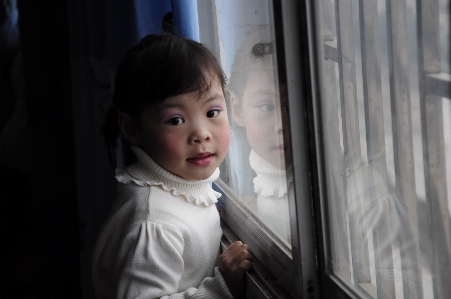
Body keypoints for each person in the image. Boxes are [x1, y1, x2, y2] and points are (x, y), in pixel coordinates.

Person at [92, 34, 252, 299]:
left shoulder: (183, 188)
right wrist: (220, 288)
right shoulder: (154, 223)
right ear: (132, 129)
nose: (201, 134)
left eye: (212, 113)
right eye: (176, 120)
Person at [228, 25, 292, 244]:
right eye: (267, 106)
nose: (282, 125)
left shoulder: (357, 192)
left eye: (291, 107)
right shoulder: (243, 193)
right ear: (237, 110)